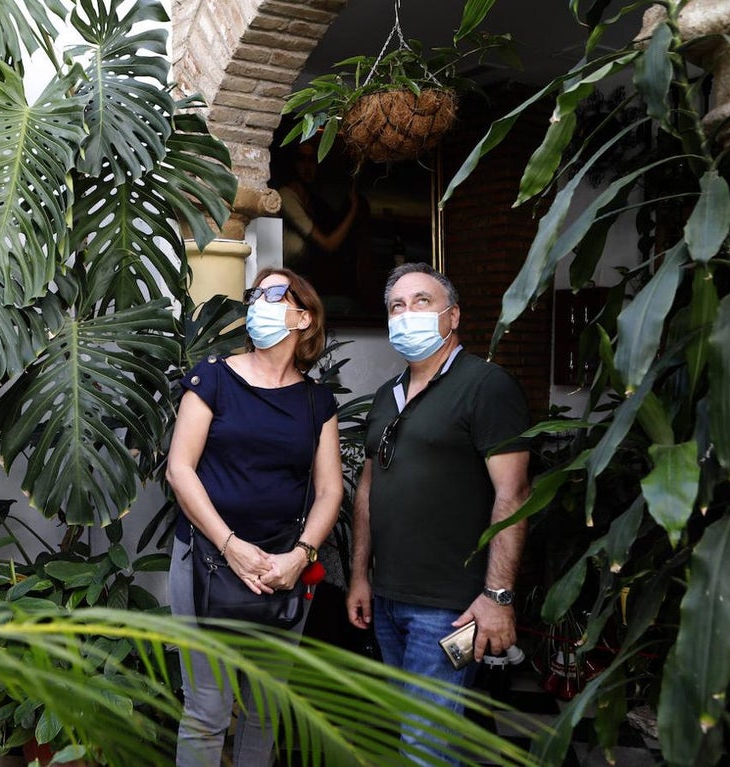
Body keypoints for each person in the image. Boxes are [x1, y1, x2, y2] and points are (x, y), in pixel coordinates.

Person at [346, 263, 531, 765]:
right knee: (411, 732)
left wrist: (498, 597)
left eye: (422, 302)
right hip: (387, 600)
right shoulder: (389, 395)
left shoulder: (486, 386)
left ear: (454, 317)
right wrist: (360, 576)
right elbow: (369, 488)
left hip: (452, 609)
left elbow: (513, 497)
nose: (408, 315)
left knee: (424, 746)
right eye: (397, 307)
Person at [166, 268, 343, 767]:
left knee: (264, 709)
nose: (257, 301)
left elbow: (331, 489)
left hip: (283, 569)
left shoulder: (316, 401)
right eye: (255, 294)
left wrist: (299, 556)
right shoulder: (213, 378)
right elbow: (180, 469)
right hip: (207, 559)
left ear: (303, 317)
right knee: (207, 710)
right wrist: (230, 545)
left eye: (272, 293)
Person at [277, 141, 361, 274]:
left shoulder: (312, 201)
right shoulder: (286, 196)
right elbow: (328, 244)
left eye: (312, 160)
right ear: (293, 163)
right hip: (286, 273)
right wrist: (354, 209)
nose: (307, 166)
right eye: (301, 159)